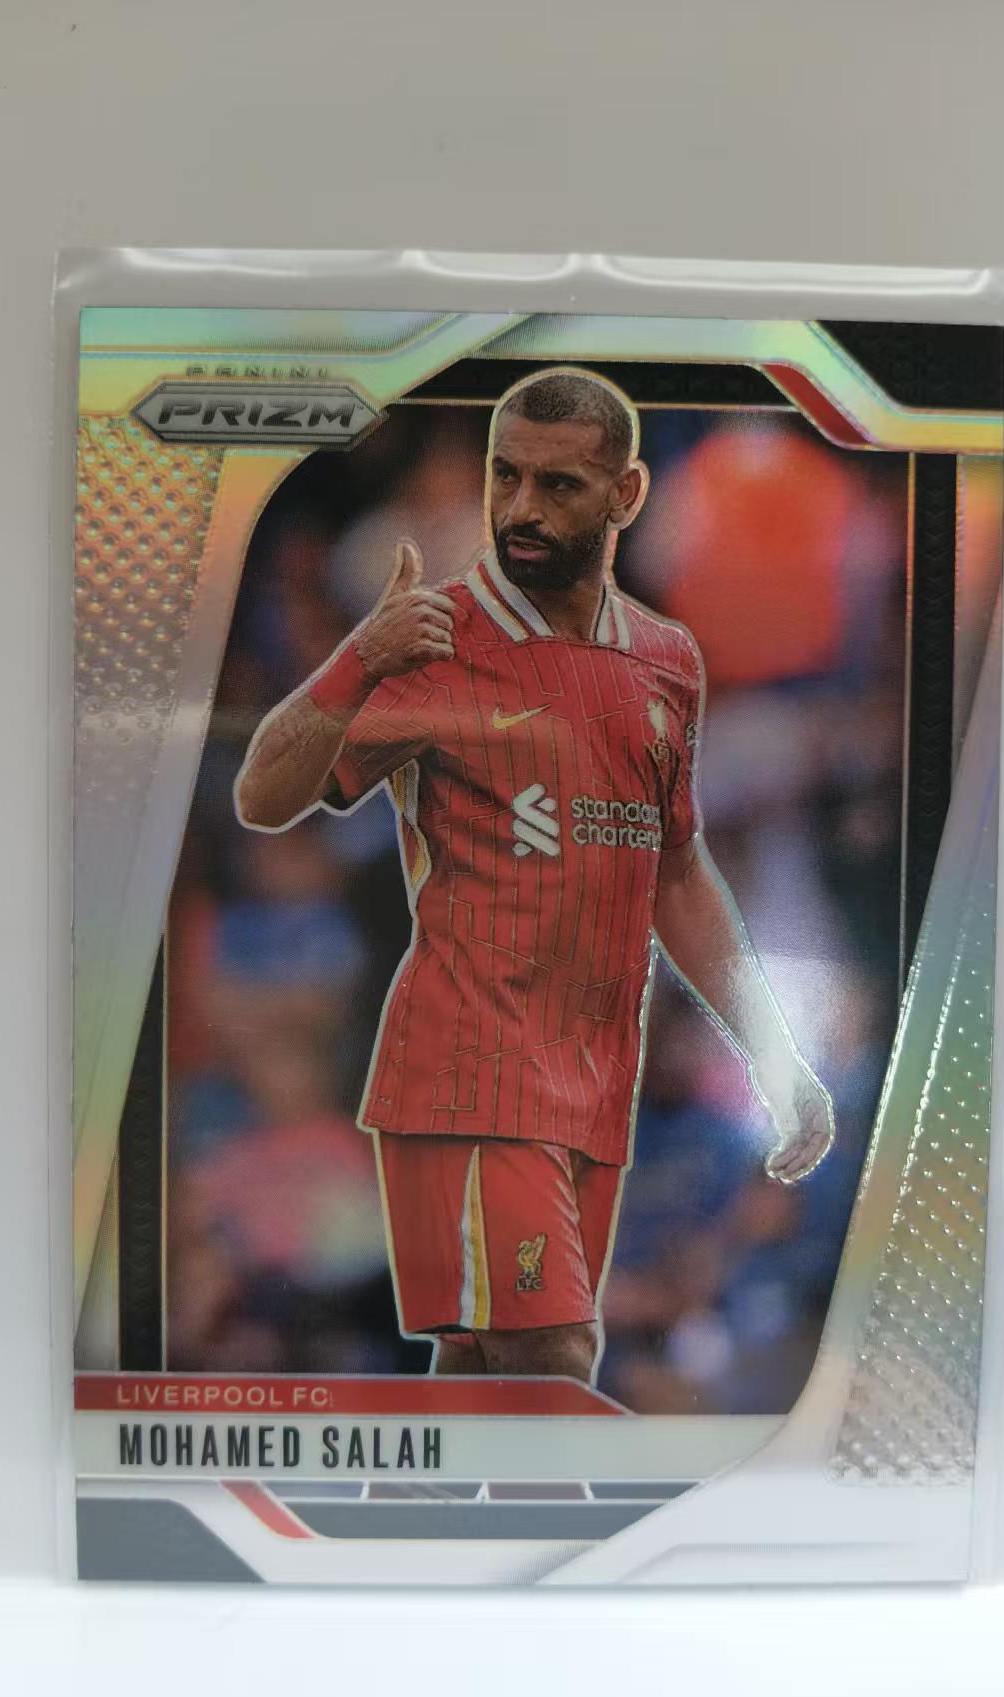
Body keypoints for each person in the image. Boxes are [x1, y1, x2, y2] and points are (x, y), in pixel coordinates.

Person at [234, 367, 834, 1384]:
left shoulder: (665, 662)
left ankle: (433, 1485)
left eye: (557, 485)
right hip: (466, 1079)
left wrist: (774, 1058)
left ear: (626, 495)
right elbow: (264, 794)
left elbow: (677, 876)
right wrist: (360, 658)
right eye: (504, 476)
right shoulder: (438, 641)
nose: (519, 507)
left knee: (485, 1367)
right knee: (550, 1354)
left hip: (593, 1085)